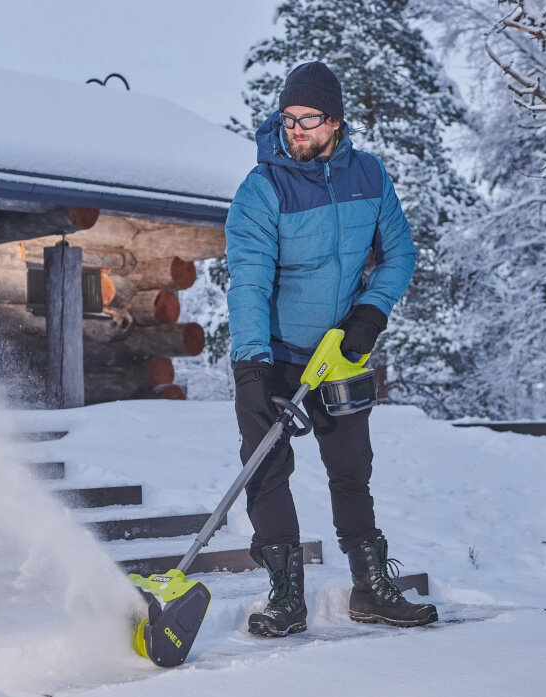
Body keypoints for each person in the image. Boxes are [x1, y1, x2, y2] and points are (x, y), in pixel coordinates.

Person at [225, 61, 438, 636]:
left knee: (351, 470)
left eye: (309, 118)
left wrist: (371, 312)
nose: (295, 129)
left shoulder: (369, 176)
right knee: (267, 470)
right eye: (288, 118)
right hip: (275, 356)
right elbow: (248, 281)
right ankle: (286, 596)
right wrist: (251, 366)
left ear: (336, 122)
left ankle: (370, 589)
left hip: (341, 351)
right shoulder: (262, 188)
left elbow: (399, 253)